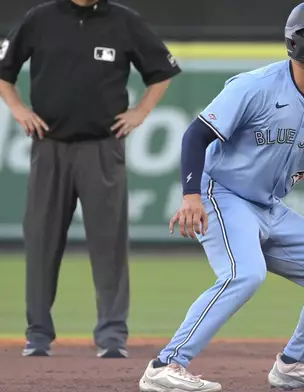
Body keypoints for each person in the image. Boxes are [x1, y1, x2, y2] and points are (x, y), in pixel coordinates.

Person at [138, 1, 304, 391]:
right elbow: (196, 135)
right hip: (224, 195)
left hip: (270, 208)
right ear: (294, 42)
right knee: (244, 274)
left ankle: (294, 365)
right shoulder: (254, 86)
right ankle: (165, 366)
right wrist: (190, 196)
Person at [0, 0, 181, 358]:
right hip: (49, 146)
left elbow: (162, 71)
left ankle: (112, 336)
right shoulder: (40, 18)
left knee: (109, 244)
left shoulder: (124, 21)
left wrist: (141, 112)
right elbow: (4, 69)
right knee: (41, 241)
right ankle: (37, 335)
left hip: (102, 147)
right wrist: (18, 108)